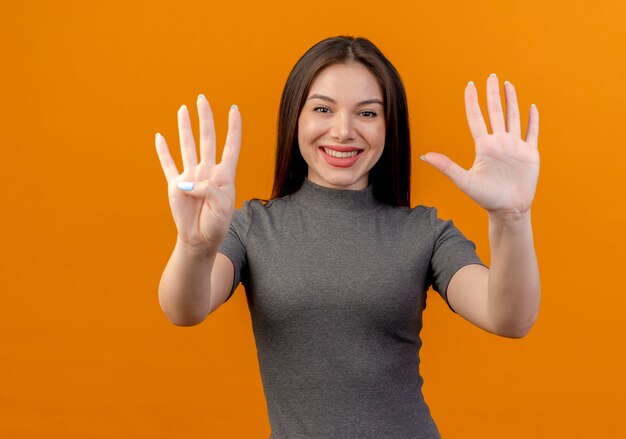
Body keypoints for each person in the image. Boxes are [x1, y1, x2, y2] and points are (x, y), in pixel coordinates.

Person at [155, 36, 540, 438]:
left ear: (389, 126)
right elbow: (184, 309)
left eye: (367, 113)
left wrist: (512, 217)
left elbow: (509, 317)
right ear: (296, 119)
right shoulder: (253, 227)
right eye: (322, 108)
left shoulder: (425, 232)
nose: (343, 131)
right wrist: (194, 247)